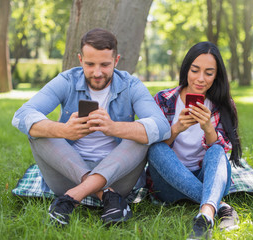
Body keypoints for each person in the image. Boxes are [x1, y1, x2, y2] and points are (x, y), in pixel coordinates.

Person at [12, 28, 170, 227]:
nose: (97, 73)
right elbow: (21, 116)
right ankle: (107, 197)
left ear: (116, 60)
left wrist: (114, 127)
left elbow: (162, 127)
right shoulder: (67, 80)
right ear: (80, 59)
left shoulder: (131, 85)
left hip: (117, 177)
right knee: (38, 130)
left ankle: (72, 198)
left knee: (143, 135)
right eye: (89, 64)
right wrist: (64, 131)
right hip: (67, 173)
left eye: (105, 65)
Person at [146, 41, 242, 239]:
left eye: (209, 73)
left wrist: (208, 128)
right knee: (155, 149)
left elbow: (224, 152)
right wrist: (176, 129)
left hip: (206, 178)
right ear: (186, 69)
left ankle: (205, 216)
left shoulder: (222, 105)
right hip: (167, 186)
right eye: (195, 70)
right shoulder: (163, 99)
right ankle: (220, 206)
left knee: (216, 150)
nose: (200, 79)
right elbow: (150, 150)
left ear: (216, 76)